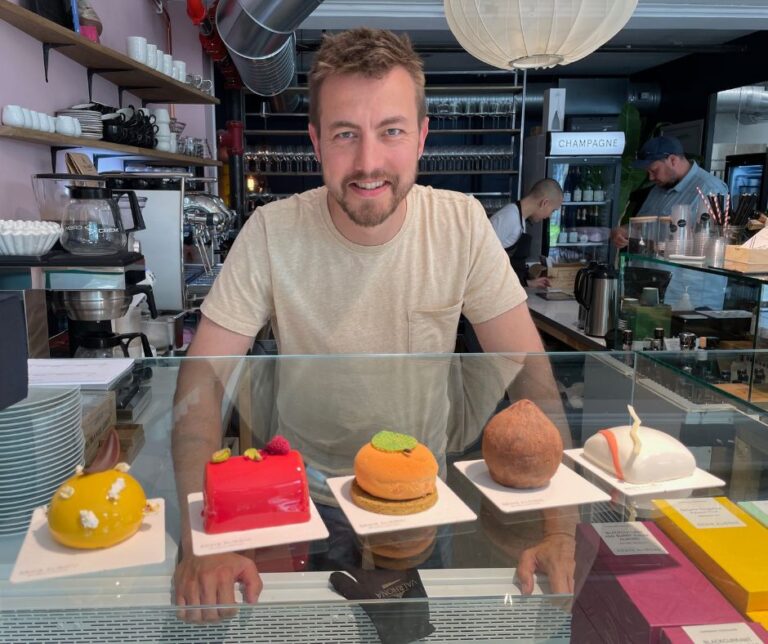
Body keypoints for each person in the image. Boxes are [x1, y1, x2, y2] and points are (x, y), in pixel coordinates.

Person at [172, 27, 573, 620]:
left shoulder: (462, 227)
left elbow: (531, 380)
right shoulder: (270, 232)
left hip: (418, 506)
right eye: (344, 135)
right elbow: (200, 386)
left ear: (421, 138)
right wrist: (198, 539)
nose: (368, 163)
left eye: (391, 131)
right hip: (301, 508)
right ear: (314, 141)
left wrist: (560, 529)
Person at [610, 135, 727, 248]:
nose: (650, 178)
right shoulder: (660, 186)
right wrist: (624, 231)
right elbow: (641, 224)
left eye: (654, 170)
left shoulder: (711, 189)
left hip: (677, 268)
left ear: (672, 160)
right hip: (644, 266)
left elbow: (714, 243)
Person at [489, 178, 563, 287]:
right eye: (553, 211)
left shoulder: (520, 219)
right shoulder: (509, 217)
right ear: (544, 203)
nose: (549, 216)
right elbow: (482, 258)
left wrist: (527, 282)